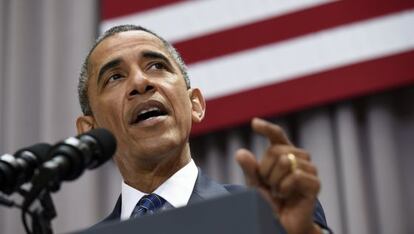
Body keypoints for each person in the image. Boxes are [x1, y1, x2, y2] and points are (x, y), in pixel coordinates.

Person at [76, 25, 330, 234]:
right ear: (90, 131)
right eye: (115, 77)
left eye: (156, 66)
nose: (140, 83)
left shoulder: (267, 211)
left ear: (194, 104)